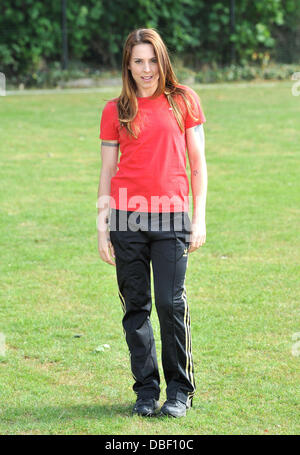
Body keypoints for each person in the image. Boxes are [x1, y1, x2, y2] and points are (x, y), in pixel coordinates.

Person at [97, 28, 207, 418]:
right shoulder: (116, 110)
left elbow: (198, 165)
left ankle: (180, 391)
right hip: (127, 218)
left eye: (153, 60)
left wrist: (200, 218)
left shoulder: (183, 101)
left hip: (172, 216)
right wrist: (101, 225)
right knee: (136, 308)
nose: (147, 69)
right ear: (127, 65)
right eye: (138, 61)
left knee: (169, 303)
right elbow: (108, 169)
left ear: (163, 60)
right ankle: (146, 391)